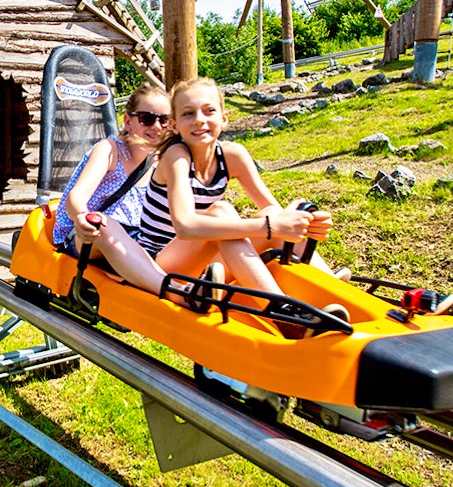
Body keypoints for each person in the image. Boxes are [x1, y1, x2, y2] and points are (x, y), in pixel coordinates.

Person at [130, 77, 349, 332]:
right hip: (162, 263)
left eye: (209, 110)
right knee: (224, 212)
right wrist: (269, 226)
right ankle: (283, 315)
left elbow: (272, 213)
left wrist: (302, 222)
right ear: (175, 125)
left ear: (224, 118)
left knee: (274, 213)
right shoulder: (176, 157)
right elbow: (185, 227)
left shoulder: (233, 155)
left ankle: (333, 289)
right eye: (189, 114)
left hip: (206, 267)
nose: (200, 119)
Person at [53, 83, 170, 263]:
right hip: (91, 236)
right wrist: (82, 218)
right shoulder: (110, 150)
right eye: (147, 118)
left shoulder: (162, 160)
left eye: (164, 120)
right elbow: (76, 197)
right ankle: (168, 288)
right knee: (105, 225)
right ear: (128, 122)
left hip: (136, 241)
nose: (156, 126)